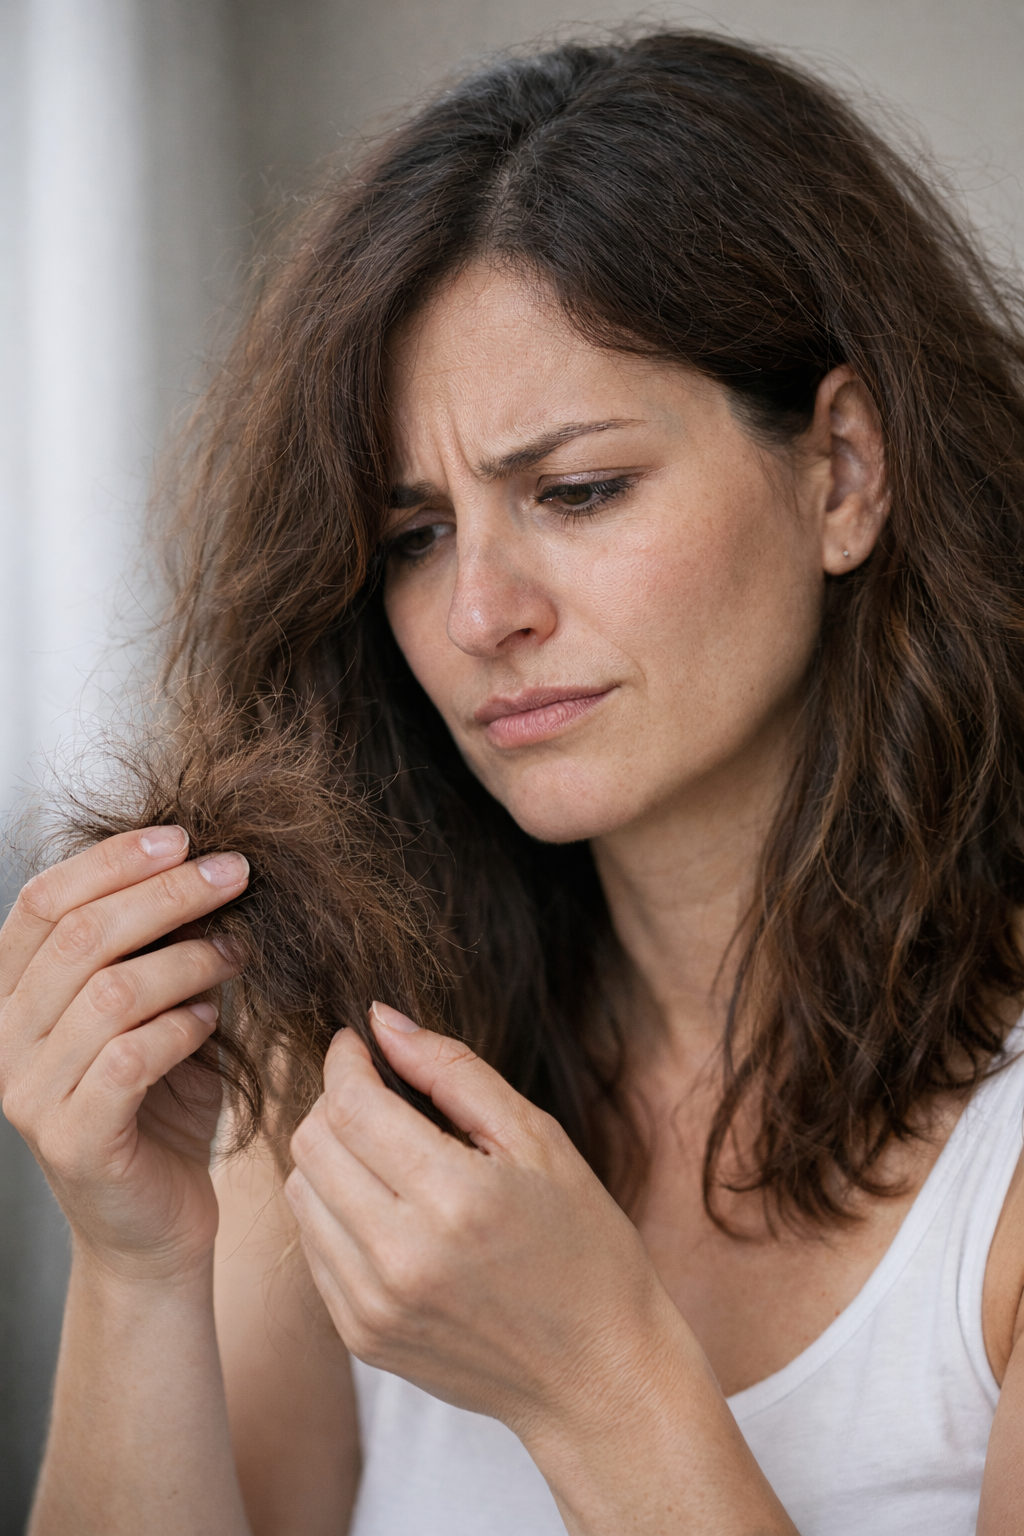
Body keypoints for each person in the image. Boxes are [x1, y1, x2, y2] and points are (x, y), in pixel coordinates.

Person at [2, 29, 1022, 1536]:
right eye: (414, 535)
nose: (481, 615)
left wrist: (598, 1382)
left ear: (845, 473)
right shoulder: (352, 1086)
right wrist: (139, 1260)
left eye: (579, 490)